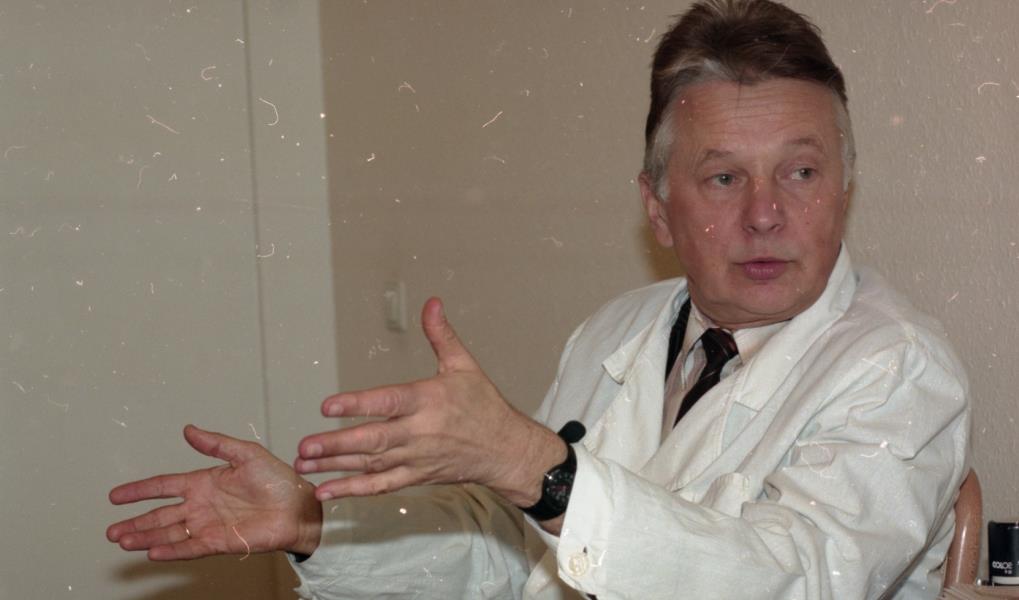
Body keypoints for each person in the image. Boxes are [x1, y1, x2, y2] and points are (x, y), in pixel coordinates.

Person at [107, 1, 970, 598]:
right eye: (722, 178)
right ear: (656, 208)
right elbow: (510, 562)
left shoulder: (897, 367)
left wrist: (537, 469)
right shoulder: (621, 329)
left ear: (844, 188)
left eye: (801, 171)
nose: (765, 213)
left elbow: (803, 579)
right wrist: (313, 524)